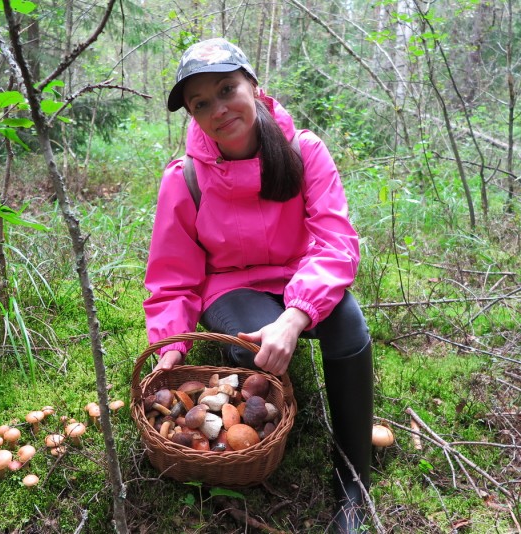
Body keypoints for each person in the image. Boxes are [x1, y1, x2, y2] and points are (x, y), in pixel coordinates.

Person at [143, 37, 374, 532]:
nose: (218, 109)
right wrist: (171, 345)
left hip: (303, 273)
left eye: (228, 89)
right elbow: (173, 276)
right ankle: (272, 415)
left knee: (349, 328)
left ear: (254, 85)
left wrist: (295, 315)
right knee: (251, 347)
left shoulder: (302, 151)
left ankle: (353, 482)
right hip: (233, 286)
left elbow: (335, 241)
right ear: (190, 113)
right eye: (200, 103)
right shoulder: (185, 180)